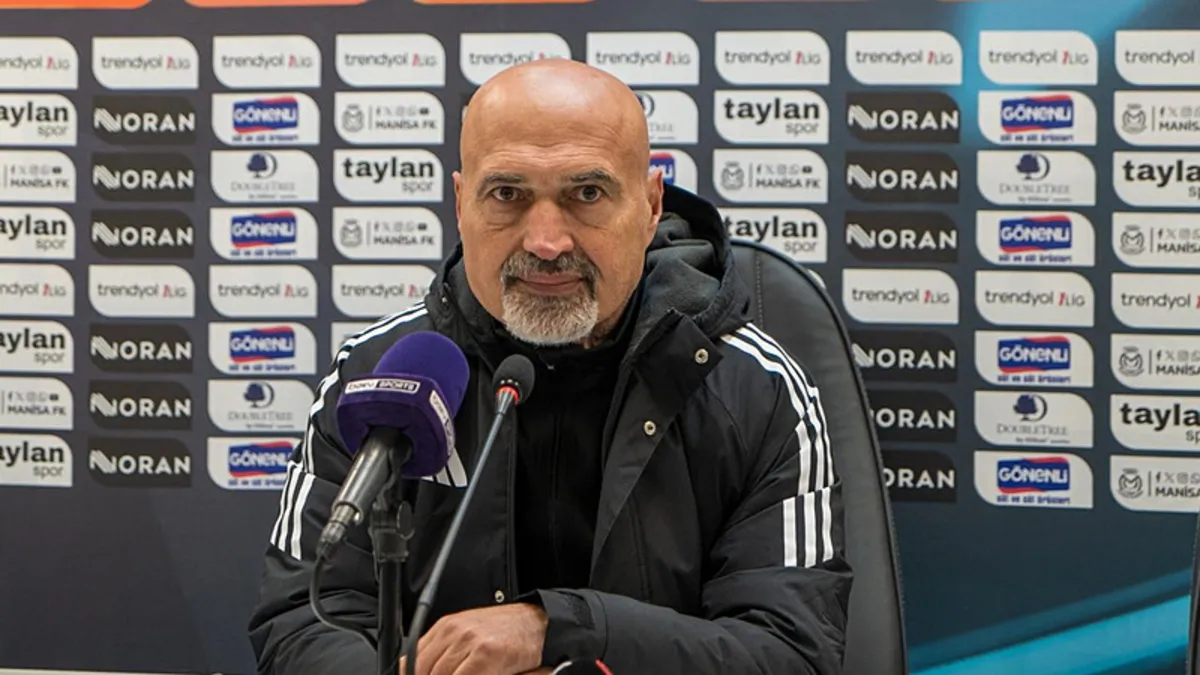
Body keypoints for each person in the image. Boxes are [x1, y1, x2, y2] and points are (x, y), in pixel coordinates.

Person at [248, 59, 851, 675]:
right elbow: (302, 622)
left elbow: (791, 653)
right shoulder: (379, 377)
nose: (545, 241)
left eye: (586, 194)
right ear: (460, 203)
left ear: (650, 206)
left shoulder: (756, 390)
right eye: (507, 195)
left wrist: (563, 629)